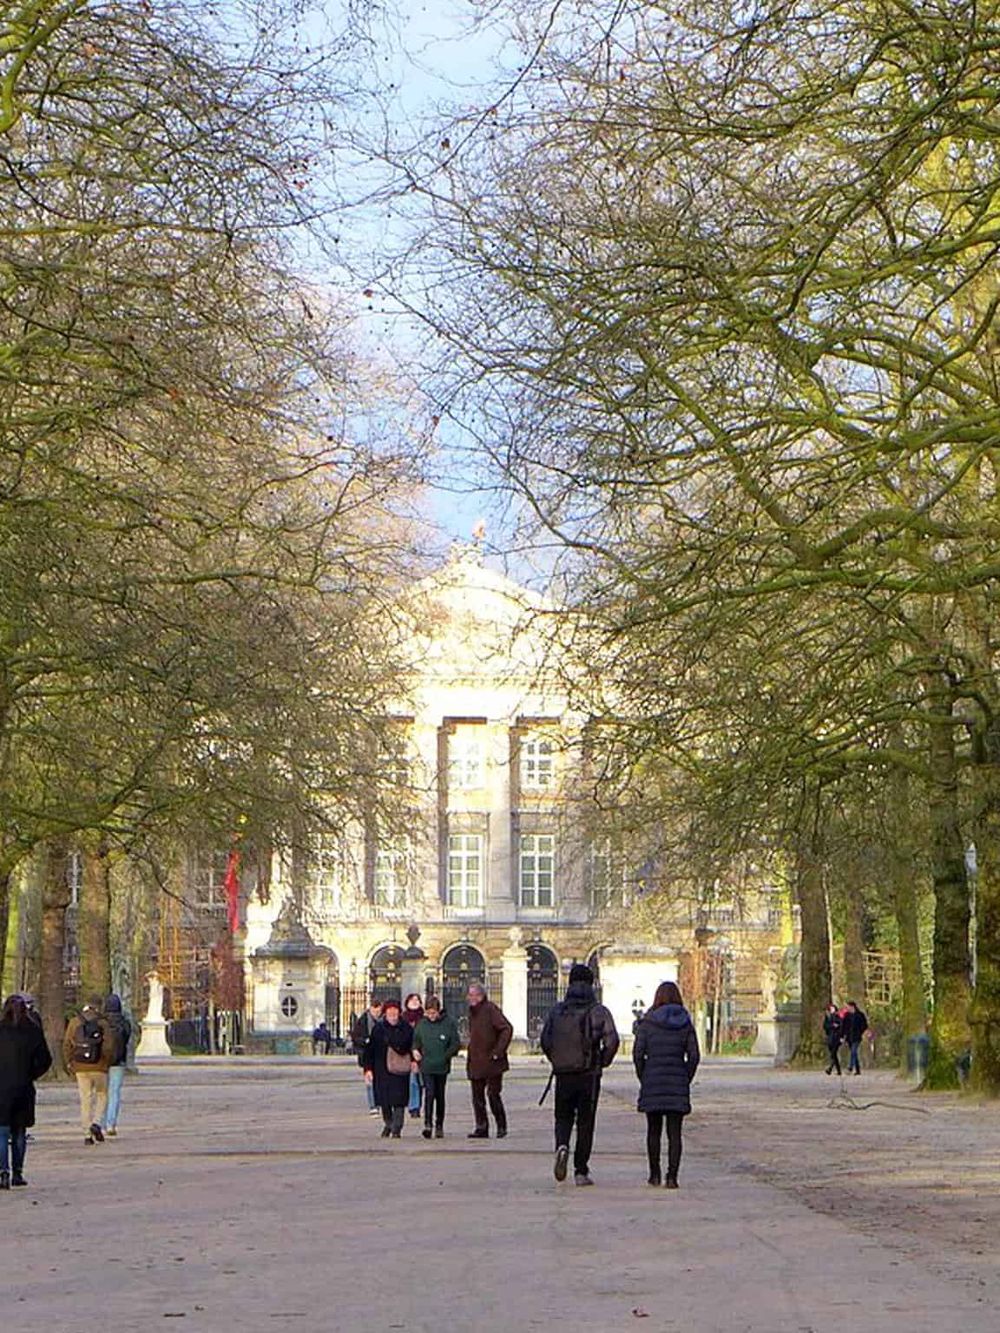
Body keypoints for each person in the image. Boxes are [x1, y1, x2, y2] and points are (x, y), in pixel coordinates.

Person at [540, 962, 619, 1186]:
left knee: (562, 1117)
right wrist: (602, 1061)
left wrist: (556, 1059)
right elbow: (612, 1040)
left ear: (569, 983)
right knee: (585, 1122)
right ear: (592, 983)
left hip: (563, 1073)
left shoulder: (557, 1010)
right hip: (588, 1074)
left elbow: (546, 1040)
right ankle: (581, 1170)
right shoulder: (598, 1011)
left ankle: (562, 1145)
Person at [633, 980, 700, 1189]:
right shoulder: (685, 1023)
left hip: (653, 1079)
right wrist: (684, 1076)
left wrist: (644, 1075)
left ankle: (654, 1174)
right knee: (675, 1132)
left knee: (653, 1131)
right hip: (677, 1081)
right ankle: (672, 1177)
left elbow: (637, 1054)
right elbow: (694, 1056)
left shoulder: (647, 1023)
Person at [0, 994, 53, 1188]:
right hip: (23, 1086)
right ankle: (18, 1172)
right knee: (19, 1132)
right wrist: (32, 1074)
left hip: (2, 1088)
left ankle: (3, 1171)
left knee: (2, 1131)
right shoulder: (33, 1031)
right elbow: (46, 1059)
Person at [63, 996, 114, 1144]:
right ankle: (96, 1123)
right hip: (99, 1066)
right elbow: (109, 1046)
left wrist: (69, 1063)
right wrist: (106, 1061)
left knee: (85, 1098)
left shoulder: (74, 1022)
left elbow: (67, 1044)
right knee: (102, 1095)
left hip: (80, 1066)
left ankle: (86, 1133)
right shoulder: (103, 1023)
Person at [465, 983, 513, 1139]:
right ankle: (481, 1127)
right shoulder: (472, 1012)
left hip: (493, 1062)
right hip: (476, 1061)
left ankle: (501, 1125)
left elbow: (506, 1028)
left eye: (473, 995)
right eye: (469, 995)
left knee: (493, 1095)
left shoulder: (490, 1009)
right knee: (477, 1097)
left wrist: (498, 1051)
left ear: (481, 996)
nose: (471, 998)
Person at [363, 997, 414, 1138]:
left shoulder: (406, 1028)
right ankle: (389, 1123)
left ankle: (397, 1128)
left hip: (399, 1069)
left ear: (399, 1012)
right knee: (384, 1100)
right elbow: (370, 1050)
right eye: (389, 1010)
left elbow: (411, 1046)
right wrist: (367, 1069)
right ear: (385, 1012)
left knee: (399, 1100)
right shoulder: (378, 1029)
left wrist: (415, 1061)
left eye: (395, 1010)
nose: (392, 1013)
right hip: (381, 1069)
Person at [412, 996, 461, 1139]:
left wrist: (446, 1056)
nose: (431, 1016)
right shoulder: (421, 1024)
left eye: (433, 1013)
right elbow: (415, 1041)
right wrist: (415, 1050)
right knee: (429, 1093)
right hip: (426, 1065)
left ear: (439, 1011)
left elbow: (455, 1044)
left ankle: (439, 1124)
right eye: (428, 1013)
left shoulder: (448, 1023)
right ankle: (427, 1124)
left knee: (440, 1095)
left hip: (441, 1066)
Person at [103, 993, 132, 1137]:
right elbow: (127, 1039)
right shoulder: (124, 1022)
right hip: (119, 1061)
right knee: (114, 1092)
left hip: (102, 1061)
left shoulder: (102, 1022)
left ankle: (99, 1121)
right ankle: (110, 1123)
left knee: (101, 1093)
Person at [350, 997, 383, 1115]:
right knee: (370, 1081)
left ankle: (379, 1102)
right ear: (370, 1009)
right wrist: (365, 1041)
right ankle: (373, 1105)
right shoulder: (362, 1020)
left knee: (380, 1081)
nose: (377, 1014)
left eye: (379, 1011)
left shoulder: (383, 1021)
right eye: (375, 1011)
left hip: (381, 1056)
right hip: (367, 1055)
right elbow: (355, 1037)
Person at [403, 993, 424, 1118]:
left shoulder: (423, 1018)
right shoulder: (404, 1018)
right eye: (412, 999)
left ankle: (417, 1105)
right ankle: (414, 1107)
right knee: (413, 1082)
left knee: (420, 1083)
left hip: (422, 1055)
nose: (415, 1002)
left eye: (417, 999)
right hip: (408, 1055)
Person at [842, 1000, 869, 1075]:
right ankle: (858, 1070)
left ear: (852, 1006)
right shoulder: (847, 1015)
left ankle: (850, 1068)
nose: (847, 1008)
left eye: (847, 1007)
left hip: (857, 1037)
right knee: (854, 1054)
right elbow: (844, 1027)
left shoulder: (860, 1015)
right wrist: (843, 1036)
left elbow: (864, 1025)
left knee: (853, 1051)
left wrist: (864, 1032)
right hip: (849, 1037)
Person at [823, 1002, 843, 1076]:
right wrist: (832, 1026)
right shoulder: (828, 1017)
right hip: (830, 1037)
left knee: (834, 1053)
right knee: (833, 1055)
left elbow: (841, 1026)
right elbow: (825, 1026)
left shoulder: (838, 1016)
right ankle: (838, 1070)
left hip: (836, 1037)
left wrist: (841, 1037)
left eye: (832, 1008)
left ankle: (830, 1068)